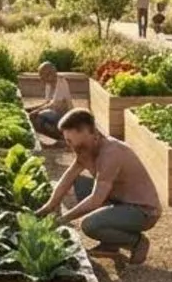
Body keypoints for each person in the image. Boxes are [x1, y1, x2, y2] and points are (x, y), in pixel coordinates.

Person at [35, 110, 162, 264]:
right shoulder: (88, 148)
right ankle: (111, 244)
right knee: (80, 183)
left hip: (142, 211)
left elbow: (96, 199)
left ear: (90, 132)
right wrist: (48, 207)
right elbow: (68, 178)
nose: (71, 146)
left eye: (72, 141)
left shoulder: (111, 153)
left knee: (90, 224)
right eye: (68, 141)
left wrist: (63, 219)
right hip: (120, 201)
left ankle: (136, 242)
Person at [28, 62, 75, 142]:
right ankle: (59, 137)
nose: (41, 78)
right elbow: (47, 103)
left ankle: (63, 138)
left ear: (50, 73)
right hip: (54, 115)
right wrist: (30, 109)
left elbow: (54, 104)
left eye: (42, 75)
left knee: (39, 117)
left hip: (66, 117)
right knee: (35, 117)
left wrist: (36, 111)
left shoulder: (61, 82)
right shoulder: (48, 84)